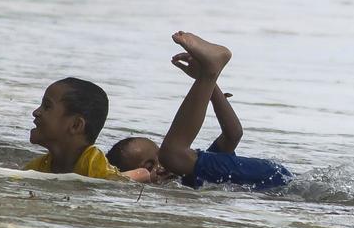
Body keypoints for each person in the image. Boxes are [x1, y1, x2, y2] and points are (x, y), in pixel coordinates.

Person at [107, 32, 292, 191]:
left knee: (172, 154)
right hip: (275, 178)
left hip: (270, 176)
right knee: (173, 155)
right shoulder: (198, 175)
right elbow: (233, 135)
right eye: (150, 166)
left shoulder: (190, 169)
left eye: (158, 159)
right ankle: (210, 71)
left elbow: (173, 154)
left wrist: (208, 76)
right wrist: (211, 86)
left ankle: (211, 68)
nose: (162, 167)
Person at [23, 77, 148, 181]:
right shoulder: (37, 167)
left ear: (76, 125)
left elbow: (142, 174)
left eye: (47, 106)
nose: (36, 112)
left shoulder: (92, 161)